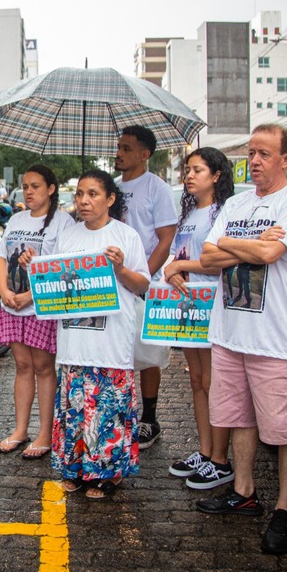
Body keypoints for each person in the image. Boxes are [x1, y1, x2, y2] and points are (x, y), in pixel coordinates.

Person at [196, 124, 287, 556]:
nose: (257, 160)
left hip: (273, 340)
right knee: (238, 417)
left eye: (266, 153)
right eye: (252, 152)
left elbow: (271, 255)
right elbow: (210, 256)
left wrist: (235, 245)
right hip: (230, 334)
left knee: (284, 428)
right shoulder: (238, 203)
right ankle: (244, 492)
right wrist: (246, 242)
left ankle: (286, 509)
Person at [44, 170, 150, 498]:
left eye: (92, 194)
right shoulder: (68, 235)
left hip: (110, 346)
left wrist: (119, 269)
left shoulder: (126, 236)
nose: (84, 201)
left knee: (108, 411)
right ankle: (75, 468)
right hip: (75, 344)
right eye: (79, 194)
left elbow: (143, 285)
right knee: (74, 411)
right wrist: (35, 266)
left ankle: (109, 473)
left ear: (110, 199)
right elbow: (54, 286)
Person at [162, 147, 236, 490]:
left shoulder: (225, 212)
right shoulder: (189, 212)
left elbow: (219, 260)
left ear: (217, 176)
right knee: (196, 381)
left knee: (213, 383)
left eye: (198, 170)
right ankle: (205, 452)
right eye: (187, 170)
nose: (189, 176)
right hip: (186, 305)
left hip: (213, 305)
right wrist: (172, 269)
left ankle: (221, 458)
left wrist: (180, 267)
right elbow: (180, 255)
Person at [0, 164, 74, 460]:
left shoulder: (64, 223)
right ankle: (20, 429)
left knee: (43, 367)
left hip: (41, 306)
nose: (29, 192)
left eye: (35, 186)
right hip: (11, 305)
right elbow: (2, 258)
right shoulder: (16, 219)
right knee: (22, 366)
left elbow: (62, 266)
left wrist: (30, 295)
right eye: (25, 186)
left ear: (51, 189)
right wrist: (4, 291)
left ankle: (45, 432)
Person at [114, 124, 178, 449]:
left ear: (144, 154)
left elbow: (166, 239)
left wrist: (144, 277)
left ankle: (148, 418)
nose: (119, 153)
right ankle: (121, 413)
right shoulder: (109, 188)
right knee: (119, 348)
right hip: (113, 281)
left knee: (149, 351)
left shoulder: (157, 188)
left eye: (126, 148)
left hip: (146, 283)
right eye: (119, 147)